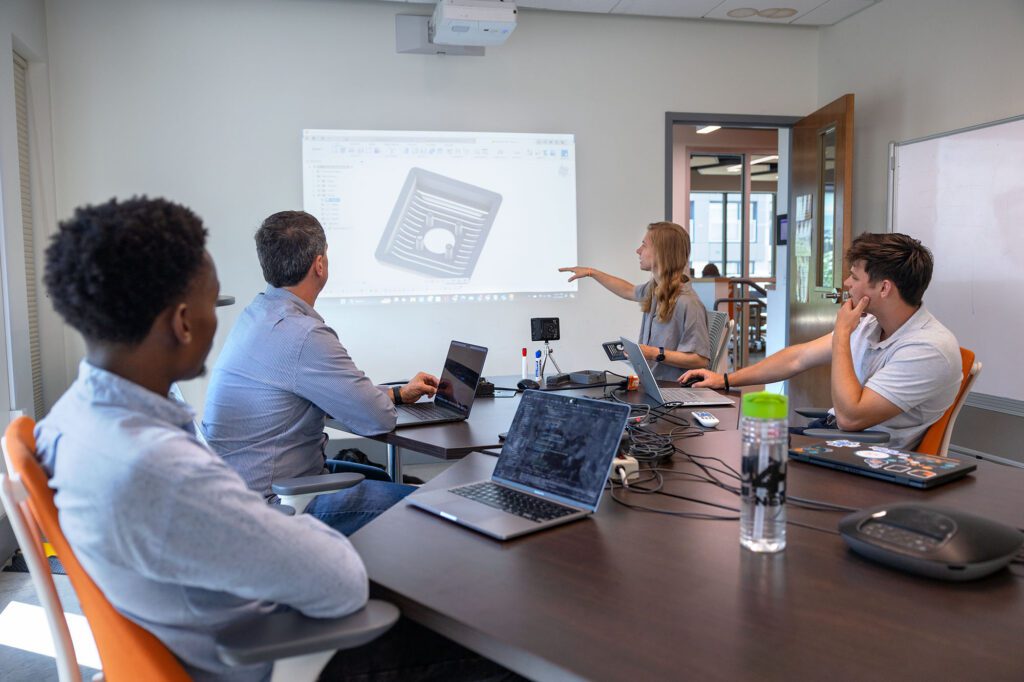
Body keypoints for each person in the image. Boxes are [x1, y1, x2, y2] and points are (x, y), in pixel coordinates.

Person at [36, 196, 518, 681]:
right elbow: (340, 582)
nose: (221, 318)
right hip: (269, 656)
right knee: (501, 648)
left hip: (207, 629)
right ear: (182, 323)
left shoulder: (71, 424)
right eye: (214, 302)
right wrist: (302, 530)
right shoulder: (161, 467)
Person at [202, 210, 438, 535]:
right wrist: (384, 401)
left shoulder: (257, 314)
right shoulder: (303, 335)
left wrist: (397, 393)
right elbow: (377, 419)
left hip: (236, 494)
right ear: (320, 264)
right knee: (427, 508)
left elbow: (324, 395)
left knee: (382, 479)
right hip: (275, 506)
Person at [681, 232, 961, 450]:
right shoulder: (871, 324)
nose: (847, 284)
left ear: (884, 288)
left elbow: (851, 417)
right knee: (719, 443)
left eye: (854, 276)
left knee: (743, 457)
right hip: (835, 436)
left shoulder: (929, 348)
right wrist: (725, 380)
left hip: (865, 455)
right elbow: (797, 358)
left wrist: (841, 335)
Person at [560, 221, 710, 380]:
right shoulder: (656, 289)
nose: (638, 251)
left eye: (644, 245)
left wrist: (652, 353)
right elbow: (628, 290)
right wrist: (592, 272)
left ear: (662, 252)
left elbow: (699, 359)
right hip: (653, 385)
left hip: (674, 391)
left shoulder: (688, 303)